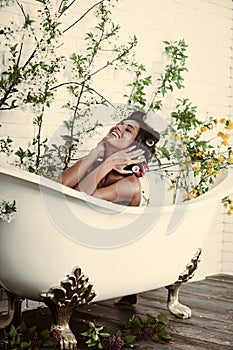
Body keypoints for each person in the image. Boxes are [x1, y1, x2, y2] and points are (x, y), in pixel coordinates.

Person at [59, 111, 160, 207]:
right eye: (120, 124)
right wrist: (96, 151)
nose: (118, 127)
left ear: (135, 148)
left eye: (128, 130)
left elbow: (80, 201)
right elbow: (59, 186)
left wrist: (109, 164)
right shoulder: (93, 162)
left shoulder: (131, 186)